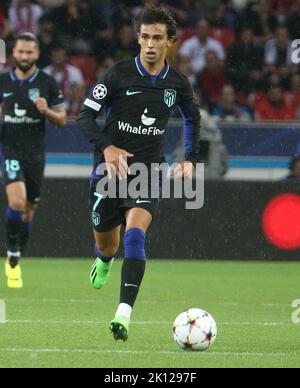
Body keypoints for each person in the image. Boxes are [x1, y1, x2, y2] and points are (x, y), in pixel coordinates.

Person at [77, 7, 201, 342]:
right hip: (108, 171)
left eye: (157, 38)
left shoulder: (177, 83)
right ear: (138, 39)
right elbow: (84, 118)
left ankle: (123, 315)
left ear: (169, 42)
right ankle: (103, 260)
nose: (149, 44)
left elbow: (192, 119)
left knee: (135, 235)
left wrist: (191, 158)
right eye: (144, 37)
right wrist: (107, 146)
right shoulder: (116, 75)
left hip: (149, 170)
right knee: (107, 242)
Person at [0, 33, 67, 288]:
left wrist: (45, 110)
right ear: (13, 54)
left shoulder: (48, 83)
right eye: (20, 52)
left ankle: (17, 256)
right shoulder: (3, 81)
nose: (24, 57)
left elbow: (61, 119)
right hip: (10, 150)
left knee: (28, 212)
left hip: (36, 155)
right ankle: (12, 253)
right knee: (16, 203)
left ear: (37, 54)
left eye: (29, 53)